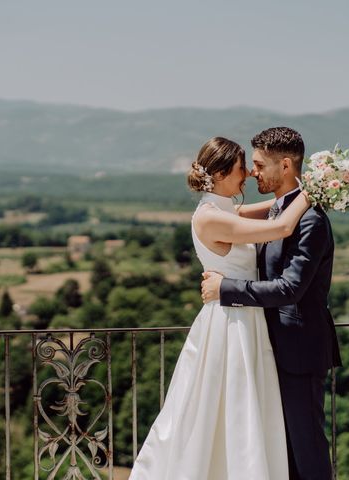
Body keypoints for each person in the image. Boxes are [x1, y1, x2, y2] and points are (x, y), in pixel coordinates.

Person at [129, 136, 311, 480]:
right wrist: (314, 190)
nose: (249, 175)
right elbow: (282, 226)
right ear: (226, 171)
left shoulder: (227, 211)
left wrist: (302, 191)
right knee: (233, 408)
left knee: (246, 407)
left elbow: (277, 208)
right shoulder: (210, 218)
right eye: (244, 167)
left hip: (247, 316)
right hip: (232, 323)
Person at [201, 127, 342, 480]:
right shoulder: (279, 211)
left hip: (298, 351)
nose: (253, 172)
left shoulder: (310, 220)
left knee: (306, 451)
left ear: (286, 164)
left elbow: (290, 288)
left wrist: (225, 288)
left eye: (261, 165)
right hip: (265, 348)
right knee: (281, 455)